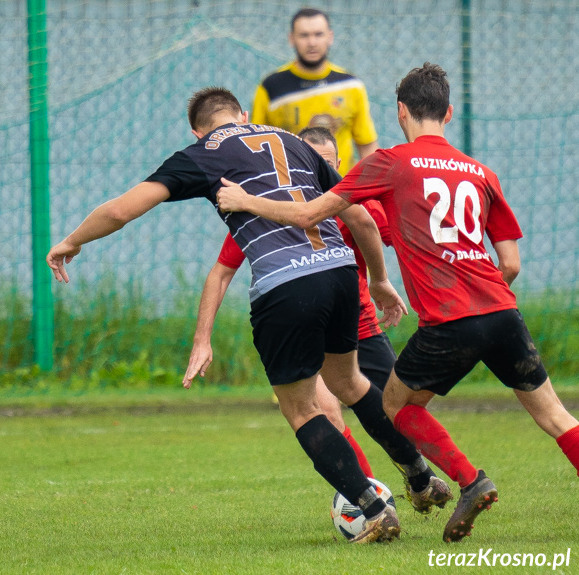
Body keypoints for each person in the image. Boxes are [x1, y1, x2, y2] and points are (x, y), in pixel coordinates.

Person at [47, 87, 450, 543]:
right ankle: (419, 477)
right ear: (242, 114)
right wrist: (378, 279)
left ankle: (373, 508)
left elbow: (121, 210)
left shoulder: (201, 153)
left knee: (300, 409)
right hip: (339, 273)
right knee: (352, 384)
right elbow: (357, 216)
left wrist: (73, 240)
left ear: (197, 130)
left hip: (285, 286)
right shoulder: (293, 141)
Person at [216, 63, 579, 543]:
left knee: (395, 404)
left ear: (401, 111)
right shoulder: (481, 172)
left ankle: (470, 480)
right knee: (555, 415)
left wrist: (247, 200)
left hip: (451, 320)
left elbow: (308, 211)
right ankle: (454, 482)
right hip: (502, 311)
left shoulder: (391, 162)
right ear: (449, 113)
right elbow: (509, 261)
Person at [183, 127, 397, 483]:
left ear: (337, 164)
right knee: (324, 408)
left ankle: (438, 478)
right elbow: (219, 273)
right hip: (309, 317)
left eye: (325, 164)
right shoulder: (263, 217)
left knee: (398, 406)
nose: (316, 171)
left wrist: (384, 282)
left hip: (359, 319)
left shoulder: (350, 202)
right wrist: (202, 339)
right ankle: (368, 495)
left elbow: (382, 230)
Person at [252, 8, 378, 176]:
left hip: (341, 191)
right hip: (292, 191)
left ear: (330, 37)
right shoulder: (271, 87)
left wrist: (371, 190)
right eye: (304, 35)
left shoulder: (351, 85)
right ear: (292, 39)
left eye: (318, 34)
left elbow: (367, 145)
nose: (312, 42)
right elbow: (256, 147)